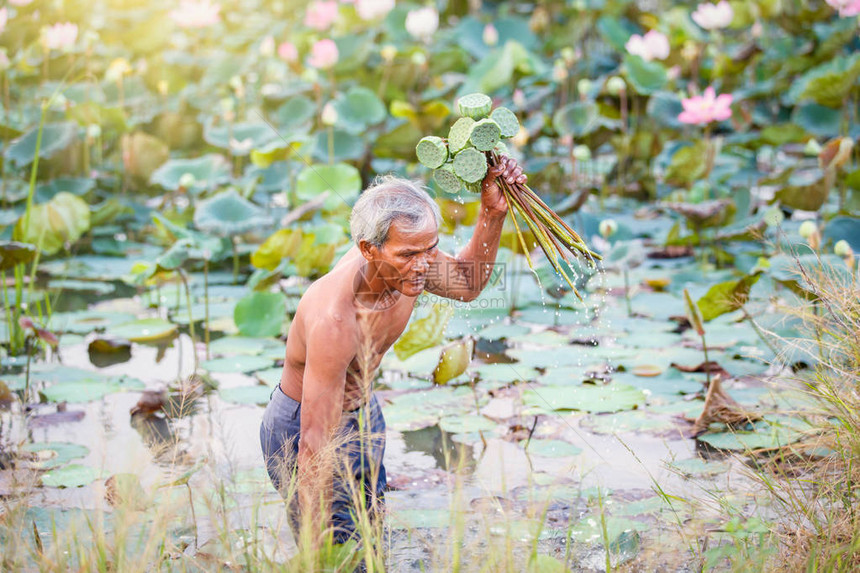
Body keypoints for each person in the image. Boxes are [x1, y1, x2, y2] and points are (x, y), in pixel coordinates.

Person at [259, 155, 527, 547]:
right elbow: (314, 447)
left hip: (365, 411)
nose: (423, 267)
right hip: (303, 425)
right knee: (337, 551)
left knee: (373, 540)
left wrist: (492, 211)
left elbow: (467, 285)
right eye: (407, 255)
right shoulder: (336, 319)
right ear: (369, 249)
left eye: (430, 249)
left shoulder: (415, 262)